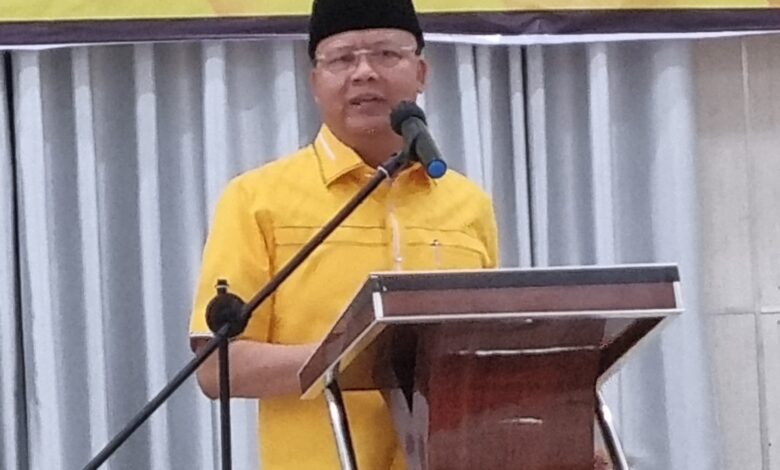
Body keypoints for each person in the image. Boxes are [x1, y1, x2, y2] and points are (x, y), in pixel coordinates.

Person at [188, 0, 498, 468]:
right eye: (343, 58)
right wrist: (359, 357)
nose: (364, 72)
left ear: (421, 73)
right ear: (315, 83)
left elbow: (489, 356)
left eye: (386, 54)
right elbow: (217, 367)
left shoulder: (468, 204)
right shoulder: (256, 200)